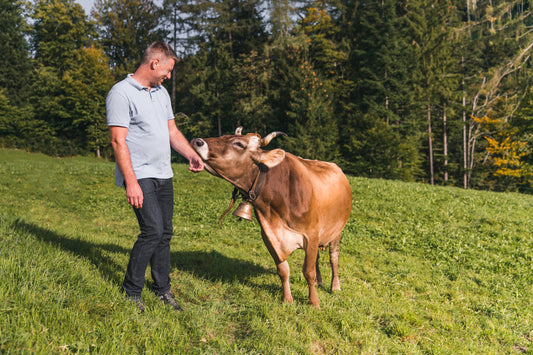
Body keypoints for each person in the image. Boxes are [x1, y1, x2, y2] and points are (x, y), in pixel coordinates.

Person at [106, 42, 204, 312]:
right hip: (139, 175)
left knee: (165, 234)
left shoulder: (161, 93)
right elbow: (117, 141)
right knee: (152, 231)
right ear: (154, 63)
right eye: (168, 70)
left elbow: (171, 131)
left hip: (164, 173)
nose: (168, 76)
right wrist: (132, 181)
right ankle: (131, 291)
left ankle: (162, 290)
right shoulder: (121, 93)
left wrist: (190, 154)